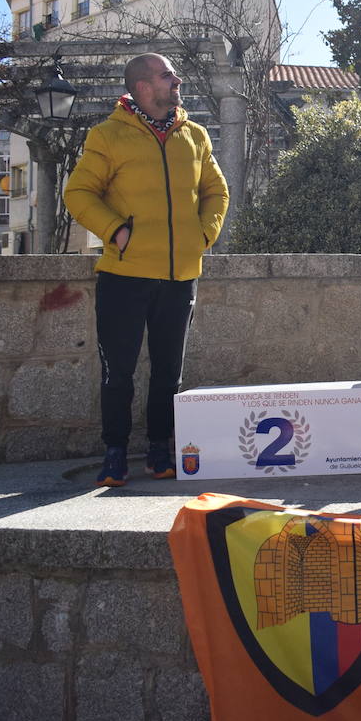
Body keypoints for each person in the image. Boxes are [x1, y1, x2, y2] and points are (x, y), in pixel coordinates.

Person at [64, 53, 229, 487]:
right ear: (142, 87)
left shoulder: (194, 135)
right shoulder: (108, 136)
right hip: (125, 275)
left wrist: (203, 236)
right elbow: (79, 193)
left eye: (173, 74)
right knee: (117, 373)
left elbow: (216, 191)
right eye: (165, 75)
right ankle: (114, 454)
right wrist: (115, 230)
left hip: (180, 276)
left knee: (168, 373)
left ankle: (160, 451)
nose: (176, 80)